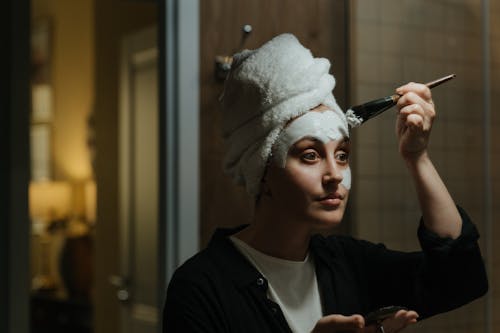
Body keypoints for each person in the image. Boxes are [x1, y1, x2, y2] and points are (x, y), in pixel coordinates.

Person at [163, 33, 488, 333]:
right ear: (261, 171)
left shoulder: (348, 264)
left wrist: (417, 157)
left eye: (342, 155)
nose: (335, 174)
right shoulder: (202, 287)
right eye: (309, 155)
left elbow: (460, 278)